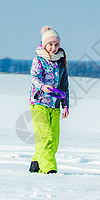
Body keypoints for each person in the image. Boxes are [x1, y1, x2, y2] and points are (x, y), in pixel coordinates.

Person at [28, 25, 69, 174]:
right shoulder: (38, 59)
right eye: (50, 44)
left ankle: (36, 163)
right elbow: (34, 78)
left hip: (55, 105)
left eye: (56, 44)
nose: (53, 48)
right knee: (46, 138)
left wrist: (65, 105)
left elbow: (64, 86)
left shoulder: (60, 62)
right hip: (39, 104)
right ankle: (49, 170)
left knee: (55, 141)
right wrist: (42, 87)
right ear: (44, 44)